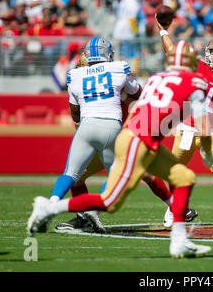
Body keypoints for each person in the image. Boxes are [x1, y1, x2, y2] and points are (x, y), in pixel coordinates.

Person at [27, 40, 212, 258]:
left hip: (123, 133)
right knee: (110, 200)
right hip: (131, 137)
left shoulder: (156, 78)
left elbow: (83, 112)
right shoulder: (193, 81)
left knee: (183, 177)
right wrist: (207, 151)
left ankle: (179, 240)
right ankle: (49, 208)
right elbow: (204, 128)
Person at [53, 52, 197, 233]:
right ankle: (84, 216)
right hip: (115, 134)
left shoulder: (95, 80)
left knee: (135, 172)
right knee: (141, 172)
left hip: (121, 134)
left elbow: (139, 97)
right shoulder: (109, 77)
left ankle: (87, 215)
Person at [43, 36, 141, 232]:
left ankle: (50, 205)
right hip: (112, 126)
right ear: (108, 54)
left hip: (86, 126)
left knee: (70, 174)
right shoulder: (118, 68)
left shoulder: (75, 75)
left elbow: (74, 113)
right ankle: (93, 211)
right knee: (115, 175)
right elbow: (137, 92)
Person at [156, 17, 213, 230]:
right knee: (174, 171)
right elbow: (174, 52)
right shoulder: (199, 67)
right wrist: (163, 32)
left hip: (209, 132)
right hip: (185, 129)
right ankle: (172, 209)